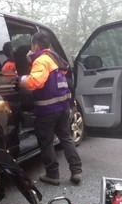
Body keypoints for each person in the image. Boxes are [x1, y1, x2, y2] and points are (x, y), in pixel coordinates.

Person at [18, 32, 82, 185]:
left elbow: (34, 82)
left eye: (31, 45)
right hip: (63, 107)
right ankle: (77, 171)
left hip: (47, 110)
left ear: (35, 45)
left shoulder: (41, 60)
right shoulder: (55, 58)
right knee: (66, 138)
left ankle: (53, 175)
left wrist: (19, 79)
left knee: (46, 141)